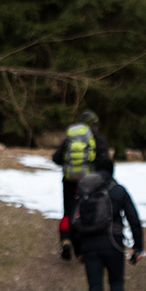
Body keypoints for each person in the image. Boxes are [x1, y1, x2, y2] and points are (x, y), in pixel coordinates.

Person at [69, 161, 145, 291]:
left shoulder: (86, 190)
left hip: (89, 245)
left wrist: (78, 250)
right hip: (113, 243)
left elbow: (74, 221)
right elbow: (134, 219)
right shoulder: (118, 191)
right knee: (116, 281)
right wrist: (138, 247)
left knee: (95, 287)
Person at [52, 110, 109, 260]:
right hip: (89, 182)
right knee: (84, 213)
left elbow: (56, 158)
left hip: (69, 181)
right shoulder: (98, 139)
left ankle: (65, 240)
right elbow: (104, 162)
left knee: (68, 212)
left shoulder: (70, 137)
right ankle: (80, 251)